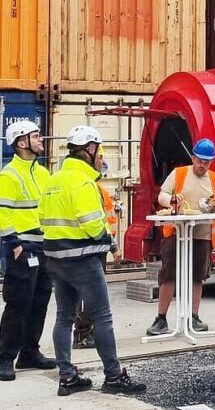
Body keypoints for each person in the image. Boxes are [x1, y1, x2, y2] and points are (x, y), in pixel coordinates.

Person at [40, 126, 145, 396]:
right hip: (83, 259)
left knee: (64, 317)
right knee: (102, 317)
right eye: (99, 150)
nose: (101, 156)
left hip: (55, 257)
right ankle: (113, 376)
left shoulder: (54, 180)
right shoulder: (84, 183)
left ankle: (67, 377)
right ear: (89, 150)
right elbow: (91, 225)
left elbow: (42, 219)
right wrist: (106, 240)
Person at [146, 139, 215, 336]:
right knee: (169, 274)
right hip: (176, 231)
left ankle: (194, 316)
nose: (203, 165)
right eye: (200, 161)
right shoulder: (179, 173)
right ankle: (161, 318)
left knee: (197, 276)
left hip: (202, 233)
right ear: (192, 158)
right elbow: (162, 195)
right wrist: (171, 200)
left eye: (207, 162)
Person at [0, 121, 55, 381]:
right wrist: (14, 244)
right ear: (22, 143)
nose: (41, 139)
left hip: (43, 246)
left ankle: (30, 352)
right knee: (18, 303)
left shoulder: (43, 173)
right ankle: (5, 357)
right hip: (22, 248)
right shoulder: (8, 175)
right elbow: (2, 213)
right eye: (35, 136)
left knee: (40, 300)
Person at [73, 148, 119, 349]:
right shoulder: (87, 187)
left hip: (99, 246)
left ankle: (86, 332)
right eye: (100, 157)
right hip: (89, 248)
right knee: (88, 296)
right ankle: (82, 334)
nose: (102, 162)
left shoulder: (98, 188)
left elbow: (105, 221)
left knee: (92, 296)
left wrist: (112, 246)